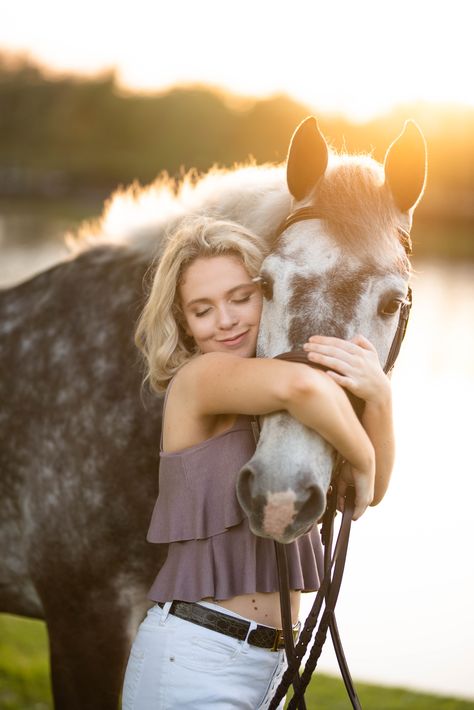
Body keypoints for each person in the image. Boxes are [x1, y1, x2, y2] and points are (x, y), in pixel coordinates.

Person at [121, 216, 394, 709]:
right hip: (196, 655)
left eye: (240, 298)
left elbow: (367, 496)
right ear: (185, 324)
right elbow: (302, 385)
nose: (225, 320)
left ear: (269, 293)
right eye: (202, 310)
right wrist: (364, 456)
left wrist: (380, 398)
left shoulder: (289, 421)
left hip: (269, 665)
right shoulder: (201, 379)